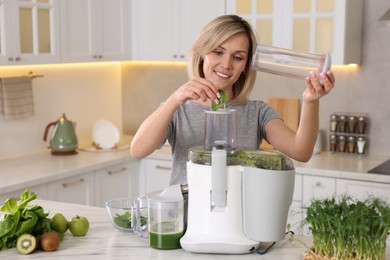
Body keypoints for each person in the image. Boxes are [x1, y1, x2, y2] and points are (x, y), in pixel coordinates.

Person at [130, 14, 335, 185]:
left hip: (241, 221)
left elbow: (301, 151)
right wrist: (174, 99)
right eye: (218, 52)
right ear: (202, 54)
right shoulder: (177, 110)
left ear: (246, 66)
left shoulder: (257, 113)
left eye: (238, 57)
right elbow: (138, 150)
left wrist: (311, 100)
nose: (226, 64)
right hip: (187, 219)